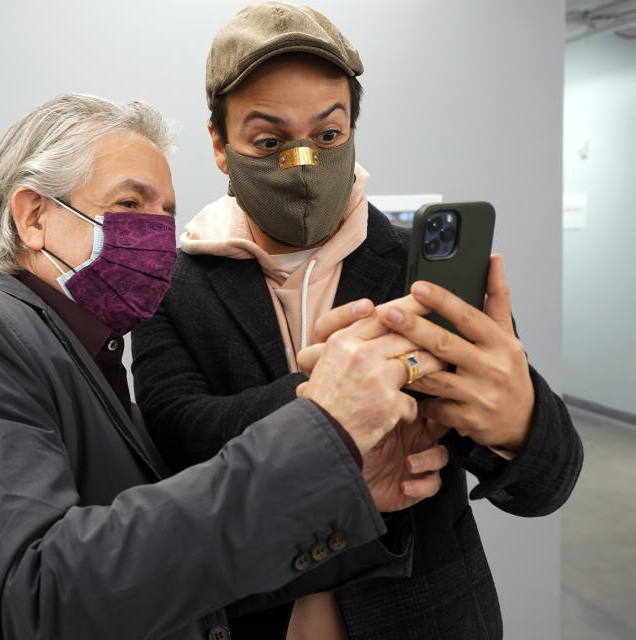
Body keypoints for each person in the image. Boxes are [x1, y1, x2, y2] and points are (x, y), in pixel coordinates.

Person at [0, 93, 451, 640]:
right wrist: (322, 429)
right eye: (130, 203)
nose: (156, 233)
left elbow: (166, 580)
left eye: (165, 212)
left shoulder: (90, 357)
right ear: (33, 217)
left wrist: (347, 496)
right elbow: (42, 592)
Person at [130, 4, 584, 639]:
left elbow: (547, 485)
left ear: (353, 131)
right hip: (248, 615)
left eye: (327, 137)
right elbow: (174, 438)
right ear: (219, 146)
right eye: (269, 142)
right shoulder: (173, 285)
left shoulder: (419, 269)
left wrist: (519, 421)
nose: (303, 163)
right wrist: (329, 405)